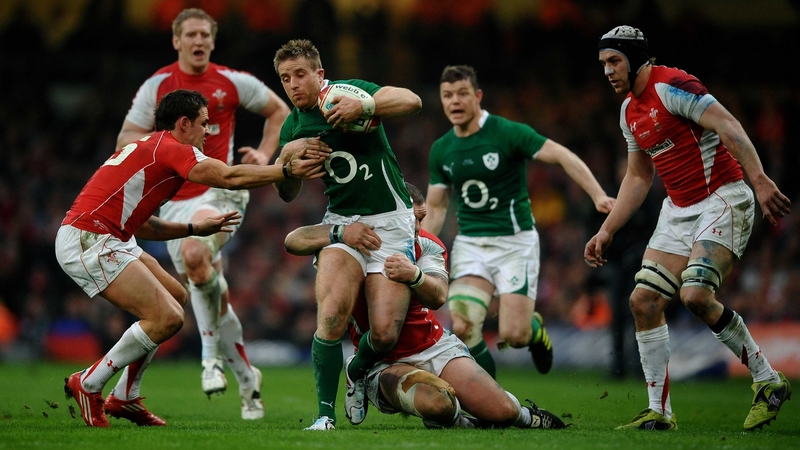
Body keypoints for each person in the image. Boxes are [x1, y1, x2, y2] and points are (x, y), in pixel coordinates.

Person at [58, 89, 327, 428]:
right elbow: (228, 177)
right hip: (91, 239)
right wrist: (285, 171)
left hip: (111, 236)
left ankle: (125, 395)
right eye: (204, 123)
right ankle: (89, 382)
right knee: (167, 318)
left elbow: (146, 225)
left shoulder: (152, 149)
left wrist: (193, 228)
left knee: (176, 297)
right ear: (183, 124)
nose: (208, 131)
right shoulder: (171, 148)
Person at [585, 25, 792, 431]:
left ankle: (768, 380)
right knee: (643, 300)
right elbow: (638, 176)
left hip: (723, 198)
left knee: (695, 295)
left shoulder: (674, 85)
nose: (607, 70)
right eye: (603, 63)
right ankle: (659, 412)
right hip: (678, 209)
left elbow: (728, 125)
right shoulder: (629, 111)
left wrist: (760, 179)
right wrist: (607, 230)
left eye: (614, 61)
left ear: (635, 59)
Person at [116, 8, 291, 418]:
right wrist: (161, 151)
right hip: (175, 199)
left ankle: (209, 359)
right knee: (214, 291)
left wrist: (265, 153)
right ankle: (248, 379)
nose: (198, 41)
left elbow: (279, 111)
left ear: (212, 41)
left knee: (196, 256)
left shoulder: (231, 81)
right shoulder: (158, 85)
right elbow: (126, 136)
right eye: (190, 34)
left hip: (221, 189)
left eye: (204, 35)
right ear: (176, 41)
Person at [285, 183, 566, 430]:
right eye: (412, 218)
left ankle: (527, 417)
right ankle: (452, 418)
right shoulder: (352, 242)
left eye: (421, 218)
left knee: (502, 412)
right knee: (439, 404)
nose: (418, 227)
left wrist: (414, 275)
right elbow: (294, 240)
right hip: (383, 363)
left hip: (434, 346)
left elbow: (439, 295)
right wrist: (338, 233)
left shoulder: (427, 244)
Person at [423, 65, 616, 378]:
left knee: (514, 335)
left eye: (462, 93)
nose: (454, 101)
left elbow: (562, 155)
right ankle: (490, 399)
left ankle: (533, 330)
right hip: (471, 244)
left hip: (514, 243)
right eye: (447, 95)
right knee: (462, 327)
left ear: (478, 96)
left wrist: (597, 195)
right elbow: (435, 207)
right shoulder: (442, 149)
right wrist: (420, 247)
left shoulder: (506, 132)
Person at [273, 39, 422, 428]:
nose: (293, 84)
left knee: (385, 334)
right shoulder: (292, 127)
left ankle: (357, 369)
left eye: (300, 74)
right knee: (331, 314)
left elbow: (411, 101)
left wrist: (365, 106)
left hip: (390, 222)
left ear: (319, 74)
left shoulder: (347, 92)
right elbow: (286, 193)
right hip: (342, 221)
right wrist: (287, 161)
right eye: (286, 78)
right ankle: (325, 416)